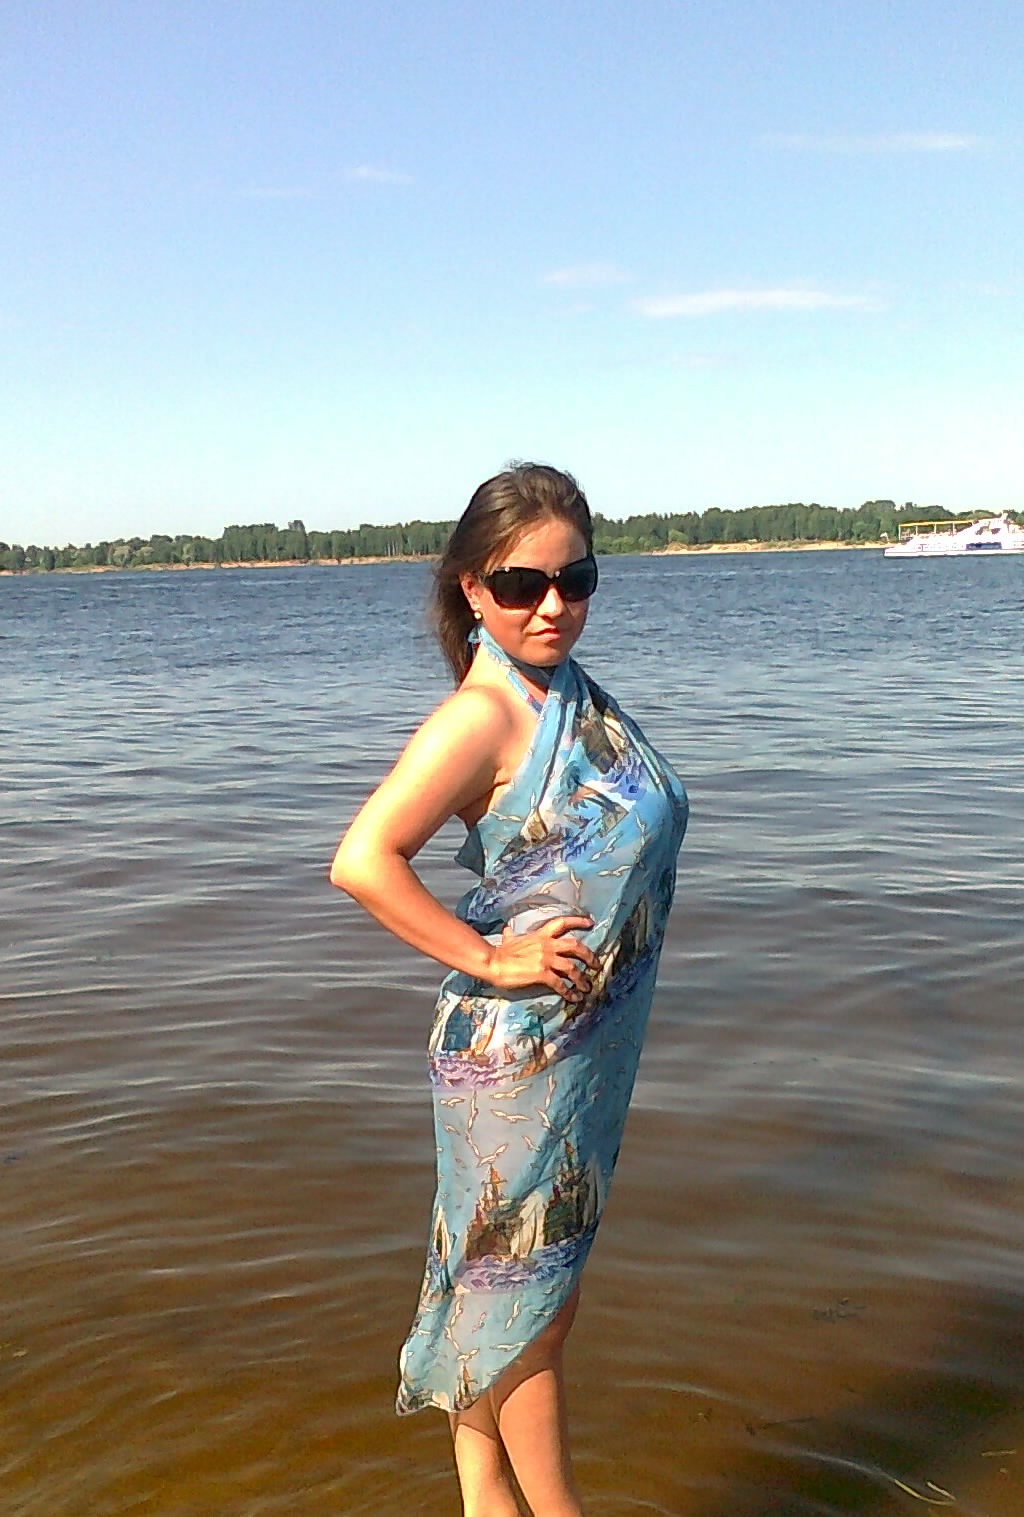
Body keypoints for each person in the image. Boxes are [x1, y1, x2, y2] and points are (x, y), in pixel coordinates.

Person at [330, 464, 688, 1517]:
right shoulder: (483, 715)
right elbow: (363, 859)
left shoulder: (562, 693)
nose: (553, 605)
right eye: (523, 583)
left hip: (582, 1053)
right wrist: (492, 959)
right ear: (472, 589)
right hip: (517, 1058)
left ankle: (486, 1503)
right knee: (528, 1313)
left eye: (576, 579)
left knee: (510, 1302)